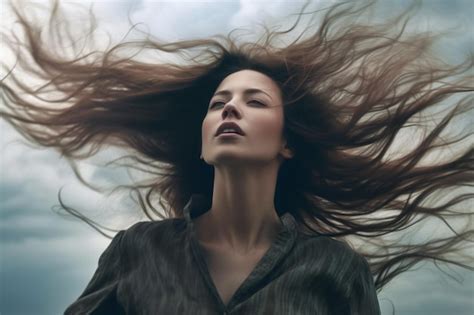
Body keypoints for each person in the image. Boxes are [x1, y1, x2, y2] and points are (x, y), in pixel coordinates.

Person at [1, 0, 472, 314]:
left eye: (255, 101)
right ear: (203, 144)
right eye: (217, 102)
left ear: (288, 143)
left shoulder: (334, 267)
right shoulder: (139, 249)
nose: (229, 107)